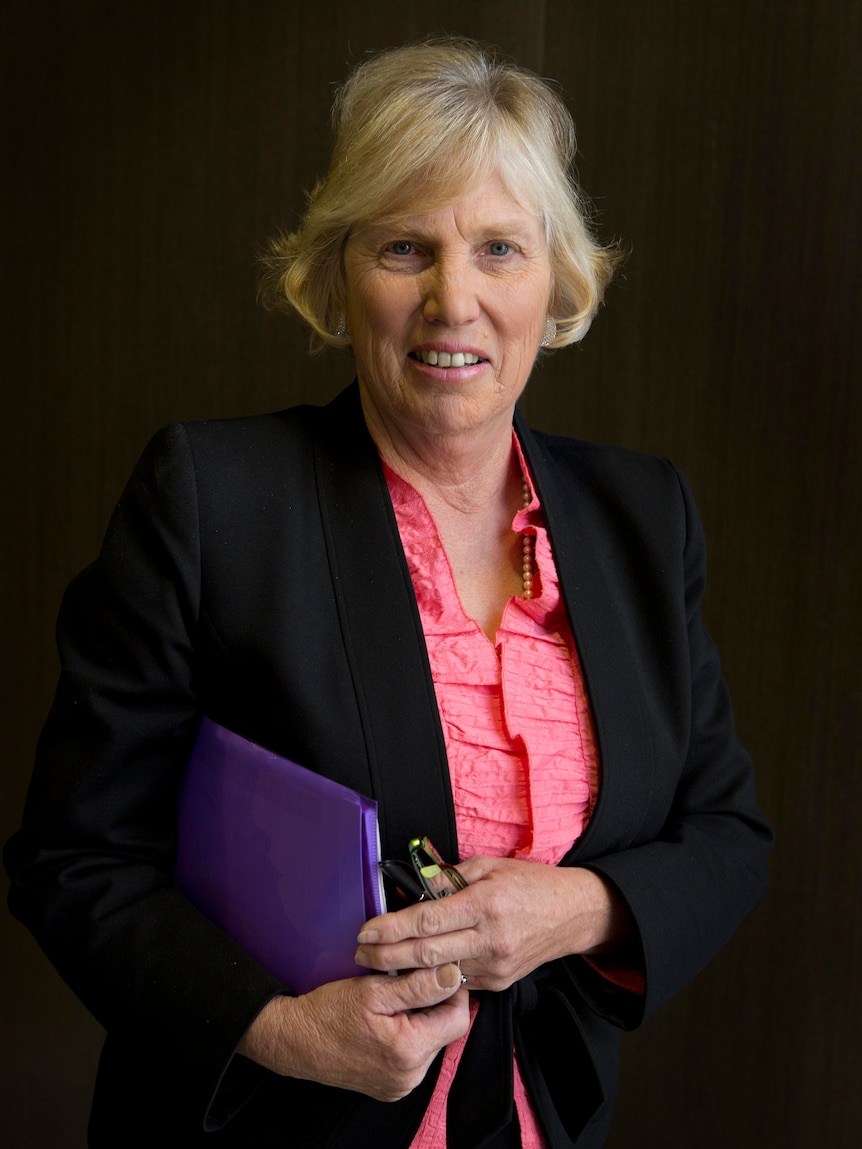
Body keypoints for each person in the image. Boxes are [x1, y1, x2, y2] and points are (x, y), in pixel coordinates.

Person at [4, 38, 772, 1149]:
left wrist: (577, 910)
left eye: (499, 249)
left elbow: (726, 833)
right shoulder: (214, 498)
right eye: (405, 247)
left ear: (556, 278)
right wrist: (278, 1028)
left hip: (540, 1119)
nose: (451, 299)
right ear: (338, 273)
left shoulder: (641, 517)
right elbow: (74, 862)